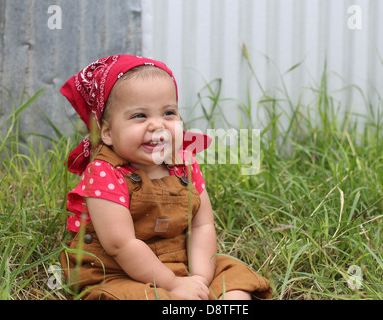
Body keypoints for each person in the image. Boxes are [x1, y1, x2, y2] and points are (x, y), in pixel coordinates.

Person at [60, 55, 272, 300]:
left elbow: (201, 225)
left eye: (168, 113)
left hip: (178, 261)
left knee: (233, 278)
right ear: (107, 133)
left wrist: (200, 279)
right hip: (115, 271)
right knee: (137, 297)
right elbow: (121, 245)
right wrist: (173, 284)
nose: (157, 125)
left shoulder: (185, 164)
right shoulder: (105, 172)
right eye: (140, 116)